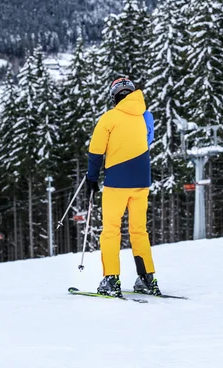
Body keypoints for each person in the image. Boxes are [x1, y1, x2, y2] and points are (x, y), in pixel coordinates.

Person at [86, 77, 160, 297]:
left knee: (111, 231)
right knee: (139, 231)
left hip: (116, 183)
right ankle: (147, 278)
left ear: (115, 96)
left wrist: (92, 178)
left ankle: (111, 280)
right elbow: (146, 143)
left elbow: (96, 151)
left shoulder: (109, 118)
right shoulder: (145, 117)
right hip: (141, 183)